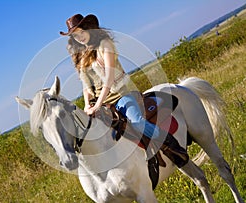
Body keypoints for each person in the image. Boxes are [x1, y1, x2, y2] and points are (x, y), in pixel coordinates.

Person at [60, 14, 189, 167]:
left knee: (137, 122)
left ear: (89, 28)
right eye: (75, 35)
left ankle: (171, 144)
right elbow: (87, 86)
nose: (79, 37)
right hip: (99, 102)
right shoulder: (80, 56)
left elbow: (109, 78)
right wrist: (88, 105)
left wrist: (97, 105)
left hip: (121, 94)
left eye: (81, 32)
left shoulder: (105, 45)